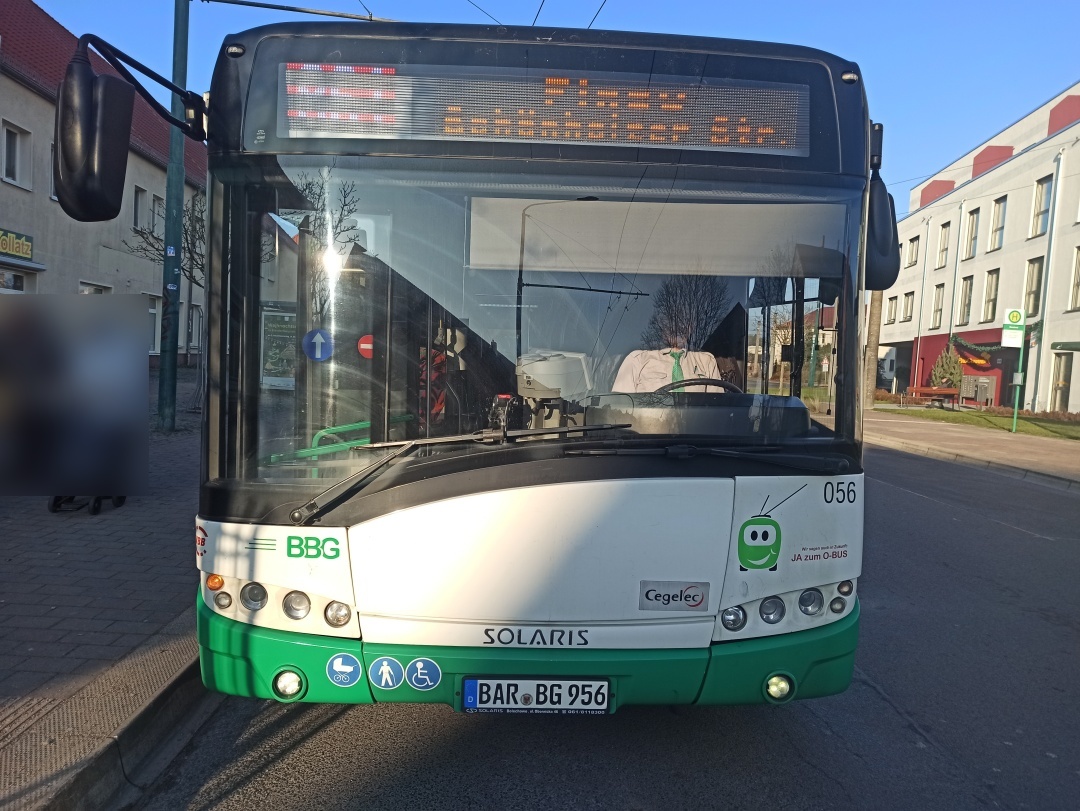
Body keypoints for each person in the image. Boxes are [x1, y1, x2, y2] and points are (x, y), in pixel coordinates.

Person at [612, 344, 723, 392]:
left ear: (690, 326)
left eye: (683, 319)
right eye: (671, 319)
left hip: (696, 436)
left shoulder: (706, 361)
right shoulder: (637, 360)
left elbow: (718, 412)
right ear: (662, 324)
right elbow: (620, 409)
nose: (677, 326)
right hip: (648, 437)